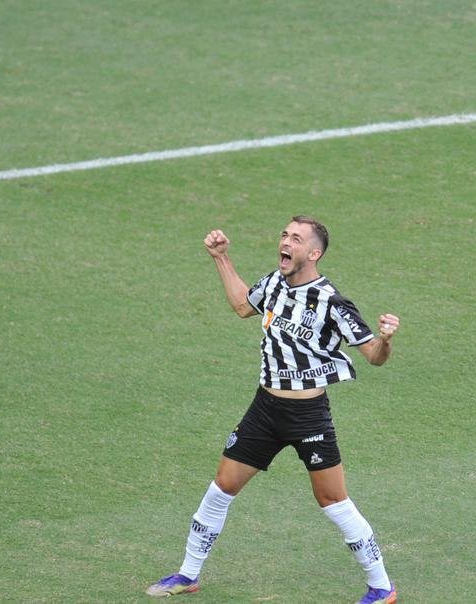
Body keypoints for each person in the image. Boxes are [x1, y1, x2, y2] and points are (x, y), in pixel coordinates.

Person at [147, 216, 401, 604]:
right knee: (221, 489)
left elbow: (374, 357)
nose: (285, 241)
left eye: (295, 238)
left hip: (308, 416)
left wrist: (385, 339)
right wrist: (221, 258)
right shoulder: (273, 283)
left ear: (313, 253)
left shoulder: (332, 302)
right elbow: (241, 305)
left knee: (333, 501)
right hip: (264, 410)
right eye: (285, 234)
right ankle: (188, 573)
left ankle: (381, 587)